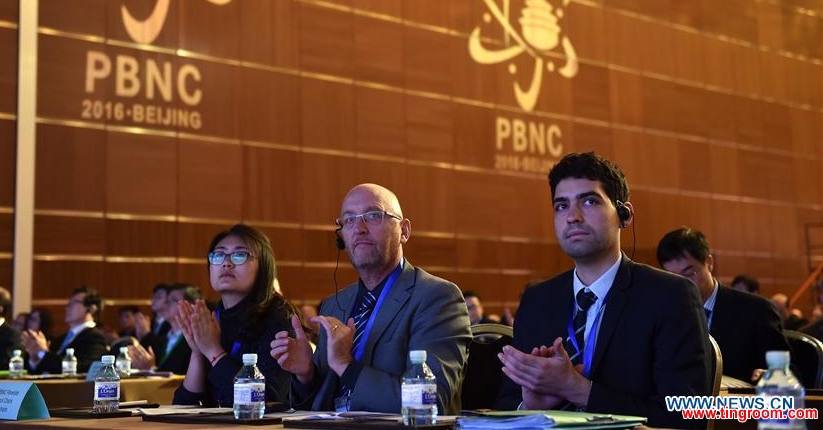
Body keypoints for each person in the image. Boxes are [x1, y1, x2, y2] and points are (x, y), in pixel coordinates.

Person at [495, 152, 712, 428]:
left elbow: (684, 415)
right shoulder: (538, 301)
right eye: (561, 206)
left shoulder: (669, 296)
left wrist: (577, 389)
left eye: (589, 201)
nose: (572, 217)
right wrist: (530, 406)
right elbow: (504, 405)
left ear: (625, 214)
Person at [270, 183, 471, 414]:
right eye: (349, 220)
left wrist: (347, 367)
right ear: (341, 236)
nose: (359, 228)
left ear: (404, 231)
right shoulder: (335, 303)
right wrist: (306, 375)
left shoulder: (437, 298)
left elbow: (430, 402)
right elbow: (317, 404)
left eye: (373, 215)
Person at [173, 225, 296, 406]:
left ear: (263, 266)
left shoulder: (278, 317)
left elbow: (265, 401)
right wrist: (198, 352)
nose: (226, 263)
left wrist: (214, 352)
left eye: (239, 255)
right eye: (219, 255)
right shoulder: (214, 317)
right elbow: (185, 406)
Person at [657, 227, 788, 384]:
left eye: (689, 274)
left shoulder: (756, 310)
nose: (683, 286)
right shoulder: (665, 314)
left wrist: (770, 375)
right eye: (673, 278)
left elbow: (789, 374)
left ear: (709, 263)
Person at [22, 286, 109, 373]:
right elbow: (47, 367)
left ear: (91, 309)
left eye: (74, 303)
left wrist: (42, 352)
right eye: (69, 303)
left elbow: (79, 369)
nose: (67, 307)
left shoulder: (95, 338)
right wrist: (35, 358)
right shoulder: (61, 338)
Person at [130, 283, 201, 374]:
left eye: (172, 300)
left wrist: (150, 369)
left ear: (191, 305)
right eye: (166, 300)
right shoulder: (164, 337)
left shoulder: (195, 339)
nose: (165, 305)